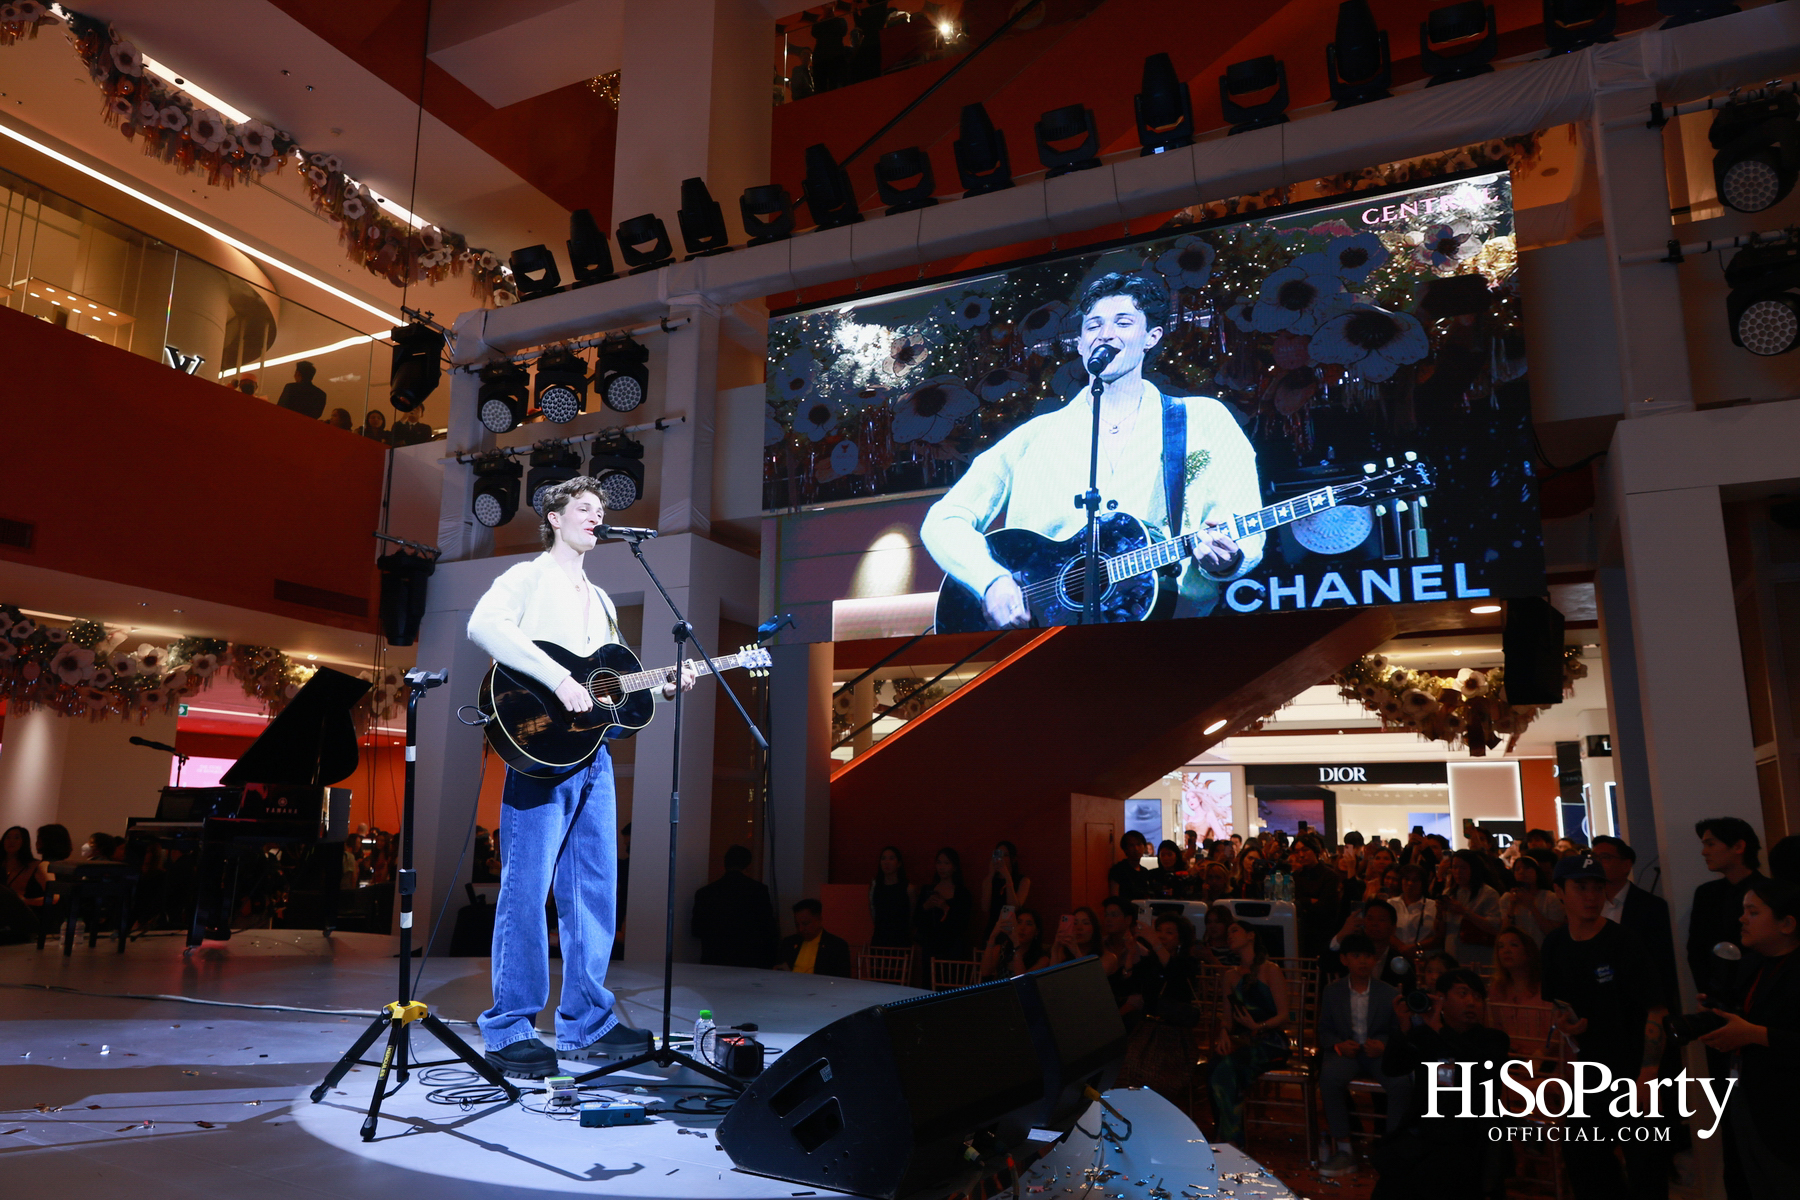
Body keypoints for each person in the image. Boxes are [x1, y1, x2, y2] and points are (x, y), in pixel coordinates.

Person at [467, 475, 696, 1079]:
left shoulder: (602, 600)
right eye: (585, 509)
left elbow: (610, 689)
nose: (597, 518)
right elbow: (484, 627)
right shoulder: (526, 577)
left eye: (601, 510)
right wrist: (558, 679)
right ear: (553, 517)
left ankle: (586, 1020)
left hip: (592, 757)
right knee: (525, 888)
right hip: (539, 751)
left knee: (594, 889)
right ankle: (510, 1025)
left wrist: (663, 686)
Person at [920, 271, 1264, 629]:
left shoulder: (1203, 419)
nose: (1106, 334)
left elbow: (1244, 524)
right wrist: (991, 580)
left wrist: (1227, 559)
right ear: (1081, 344)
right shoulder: (1035, 436)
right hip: (1046, 639)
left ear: (1151, 337)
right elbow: (944, 520)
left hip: (1170, 634)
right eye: (1093, 325)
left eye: (1124, 322)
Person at [1540, 851, 1670, 1200]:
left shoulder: (1623, 942)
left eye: (1597, 887)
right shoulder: (1554, 944)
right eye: (1580, 887)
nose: (1590, 895)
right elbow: (1558, 1006)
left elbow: (1656, 1011)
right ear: (1559, 891)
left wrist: (1647, 1076)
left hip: (1633, 1073)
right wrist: (1568, 1025)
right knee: (1586, 1165)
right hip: (1588, 1077)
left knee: (1646, 1172)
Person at [1695, 876, 1800, 1198]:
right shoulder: (1755, 963)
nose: (1742, 919)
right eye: (1743, 910)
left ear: (1787, 924)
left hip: (1789, 1115)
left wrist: (1752, 1033)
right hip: (1750, 1101)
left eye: (1753, 912)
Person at [1373, 968, 1514, 1200]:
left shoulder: (1493, 1039)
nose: (1471, 1002)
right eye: (1463, 994)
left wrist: (1440, 1028)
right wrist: (1404, 1028)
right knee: (1391, 1179)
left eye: (1478, 997)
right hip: (1425, 1133)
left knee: (1435, 1175)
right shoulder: (1424, 1036)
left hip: (1470, 1137)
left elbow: (1478, 1069)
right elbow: (1393, 1068)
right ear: (1441, 999)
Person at [1318, 933, 1411, 1178]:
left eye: (1367, 957)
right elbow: (1323, 1030)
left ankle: (1392, 1146)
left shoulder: (1388, 992)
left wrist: (1383, 1045)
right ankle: (1345, 1147)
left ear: (1375, 960)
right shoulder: (1332, 991)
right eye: (1356, 956)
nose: (1362, 962)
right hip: (1347, 1052)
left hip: (1376, 1053)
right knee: (1329, 1078)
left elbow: (1397, 1031)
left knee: (1401, 1081)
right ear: (1345, 960)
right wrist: (1339, 1045)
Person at [1207, 914, 1291, 1147]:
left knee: (1228, 1068)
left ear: (1250, 935)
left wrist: (1259, 1026)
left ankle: (1230, 1139)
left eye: (1234, 931)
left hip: (1270, 1041)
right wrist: (1224, 1034)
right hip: (1244, 1039)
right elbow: (1227, 1016)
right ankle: (1225, 1133)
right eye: (1228, 933)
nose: (1229, 936)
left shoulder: (1270, 970)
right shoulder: (1231, 976)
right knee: (1215, 1065)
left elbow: (1284, 1014)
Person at [1591, 834, 1679, 1008]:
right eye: (1594, 858)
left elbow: (1660, 964)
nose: (1597, 863)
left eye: (1605, 858)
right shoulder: (1587, 905)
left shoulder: (1651, 907)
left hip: (1638, 1000)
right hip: (1597, 998)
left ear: (1626, 865)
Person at [1689, 816, 1766, 1000]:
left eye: (1711, 844)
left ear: (1738, 847)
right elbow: (1696, 950)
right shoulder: (1706, 893)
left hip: (1759, 994)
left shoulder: (1770, 893)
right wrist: (1709, 993)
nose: (1704, 852)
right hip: (1716, 995)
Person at [690, 845, 779, 968]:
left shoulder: (705, 893)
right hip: (748, 960)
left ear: (725, 864)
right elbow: (767, 929)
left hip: (714, 960)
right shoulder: (758, 891)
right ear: (748, 866)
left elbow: (697, 929)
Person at [1486, 925, 1553, 1062]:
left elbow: (1556, 1031)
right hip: (1509, 1057)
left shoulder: (1546, 987)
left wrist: (1540, 1055)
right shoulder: (1497, 989)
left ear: (1528, 952)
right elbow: (1495, 1028)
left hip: (1544, 1058)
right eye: (1501, 946)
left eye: (1514, 945)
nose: (1506, 951)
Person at [1439, 849, 1502, 967]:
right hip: (1453, 955)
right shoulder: (1449, 893)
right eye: (1454, 867)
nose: (1458, 872)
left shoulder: (1488, 893)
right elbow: (1442, 930)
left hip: (1479, 957)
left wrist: (1464, 912)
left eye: (1463, 868)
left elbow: (1495, 927)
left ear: (1473, 869)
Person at [914, 847, 973, 964]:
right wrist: (926, 906)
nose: (942, 867)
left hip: (953, 949)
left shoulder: (962, 893)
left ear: (954, 867)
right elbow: (916, 920)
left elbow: (963, 924)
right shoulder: (927, 890)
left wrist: (946, 908)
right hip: (930, 948)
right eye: (939, 863)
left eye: (946, 863)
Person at [1290, 834, 1342, 960]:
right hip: (1300, 931)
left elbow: (1326, 907)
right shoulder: (1296, 876)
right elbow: (1292, 902)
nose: (1301, 855)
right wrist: (1309, 901)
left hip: (1322, 932)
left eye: (1305, 850)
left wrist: (1302, 904)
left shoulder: (1329, 875)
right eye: (1297, 852)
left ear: (1315, 851)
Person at [776, 898, 853, 977]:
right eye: (797, 925)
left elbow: (842, 980)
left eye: (805, 924)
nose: (800, 929)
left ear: (819, 920)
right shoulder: (788, 942)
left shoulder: (836, 946)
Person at [1496, 854, 1563, 944]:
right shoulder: (1507, 898)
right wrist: (1512, 906)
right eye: (1517, 869)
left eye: (1527, 868)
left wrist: (1531, 906)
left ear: (1537, 872)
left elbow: (1552, 932)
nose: (1522, 872)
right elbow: (1504, 932)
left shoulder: (1550, 898)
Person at [979, 840, 1031, 940]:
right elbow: (985, 907)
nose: (1001, 858)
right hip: (993, 927)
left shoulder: (1023, 881)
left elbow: (1014, 907)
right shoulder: (989, 880)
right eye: (998, 855)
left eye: (1005, 855)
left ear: (1013, 859)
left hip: (1013, 930)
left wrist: (1007, 876)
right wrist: (991, 874)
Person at [979, 906, 1048, 980]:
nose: (1022, 928)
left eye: (1028, 924)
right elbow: (985, 972)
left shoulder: (1042, 959)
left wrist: (1016, 943)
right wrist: (992, 937)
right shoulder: (1002, 949)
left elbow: (1022, 981)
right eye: (1019, 922)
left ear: (1036, 932)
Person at [868, 845, 915, 950]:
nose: (886, 862)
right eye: (883, 858)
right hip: (879, 939)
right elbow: (873, 912)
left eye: (891, 858)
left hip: (901, 940)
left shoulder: (908, 889)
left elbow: (911, 915)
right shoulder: (875, 887)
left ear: (899, 863)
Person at [2, 826, 44, 906]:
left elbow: (52, 898)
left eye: (17, 838)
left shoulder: (35, 866)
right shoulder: (2, 864)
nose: (11, 841)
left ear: (24, 841)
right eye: (8, 837)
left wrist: (25, 901)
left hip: (21, 912)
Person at [1108, 831, 1150, 900]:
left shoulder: (1145, 872)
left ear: (1144, 847)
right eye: (1131, 845)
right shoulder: (1118, 870)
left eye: (1139, 844)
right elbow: (1114, 898)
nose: (1136, 849)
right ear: (1125, 849)